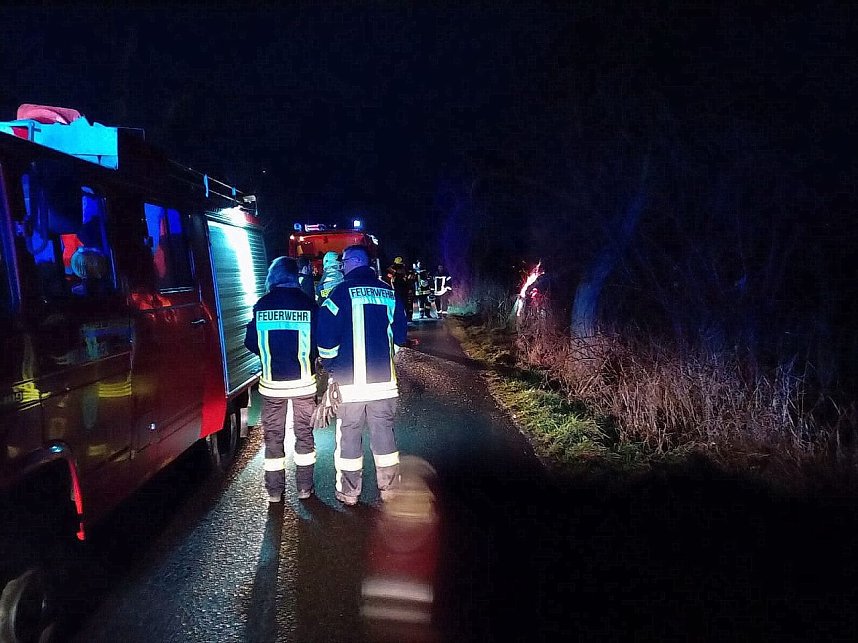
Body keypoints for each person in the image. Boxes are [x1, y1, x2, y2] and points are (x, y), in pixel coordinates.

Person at [317, 244, 407, 505]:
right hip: (383, 384)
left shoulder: (339, 294)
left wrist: (331, 365)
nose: (342, 266)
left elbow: (325, 338)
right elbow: (400, 335)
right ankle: (389, 490)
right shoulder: (388, 292)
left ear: (354, 262)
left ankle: (349, 493)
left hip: (349, 384)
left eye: (344, 261)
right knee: (384, 435)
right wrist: (388, 359)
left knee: (349, 436)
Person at [245, 257, 318, 503]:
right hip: (304, 384)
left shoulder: (262, 305)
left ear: (273, 276)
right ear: (295, 276)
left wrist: (269, 354)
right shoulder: (308, 304)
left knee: (273, 437)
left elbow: (250, 342)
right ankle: (305, 488)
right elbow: (319, 342)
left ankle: (275, 492)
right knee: (304, 434)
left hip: (272, 385)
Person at [386, 256, 412, 321]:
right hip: (397, 289)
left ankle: (407, 317)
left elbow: (409, 278)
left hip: (402, 289)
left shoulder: (404, 269)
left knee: (405, 304)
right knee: (402, 304)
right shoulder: (392, 269)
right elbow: (389, 277)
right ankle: (404, 317)